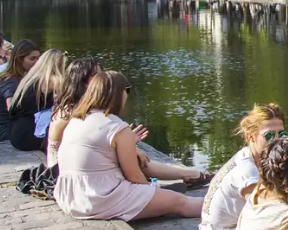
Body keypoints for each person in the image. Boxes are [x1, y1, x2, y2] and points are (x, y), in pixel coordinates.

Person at [54, 71, 203, 221]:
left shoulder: (76, 120)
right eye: (127, 90)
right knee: (180, 202)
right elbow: (134, 176)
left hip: (71, 197)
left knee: (166, 196)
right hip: (99, 199)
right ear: (119, 93)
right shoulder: (115, 126)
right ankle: (224, 208)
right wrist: (151, 191)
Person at [7, 48, 66, 153]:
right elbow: (72, 92)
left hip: (16, 133)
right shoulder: (51, 80)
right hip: (28, 136)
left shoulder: (31, 79)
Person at [0, 40, 40, 142]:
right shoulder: (11, 80)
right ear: (19, 59)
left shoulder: (20, 76)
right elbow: (11, 107)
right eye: (32, 59)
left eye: (38, 58)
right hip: (6, 130)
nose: (37, 62)